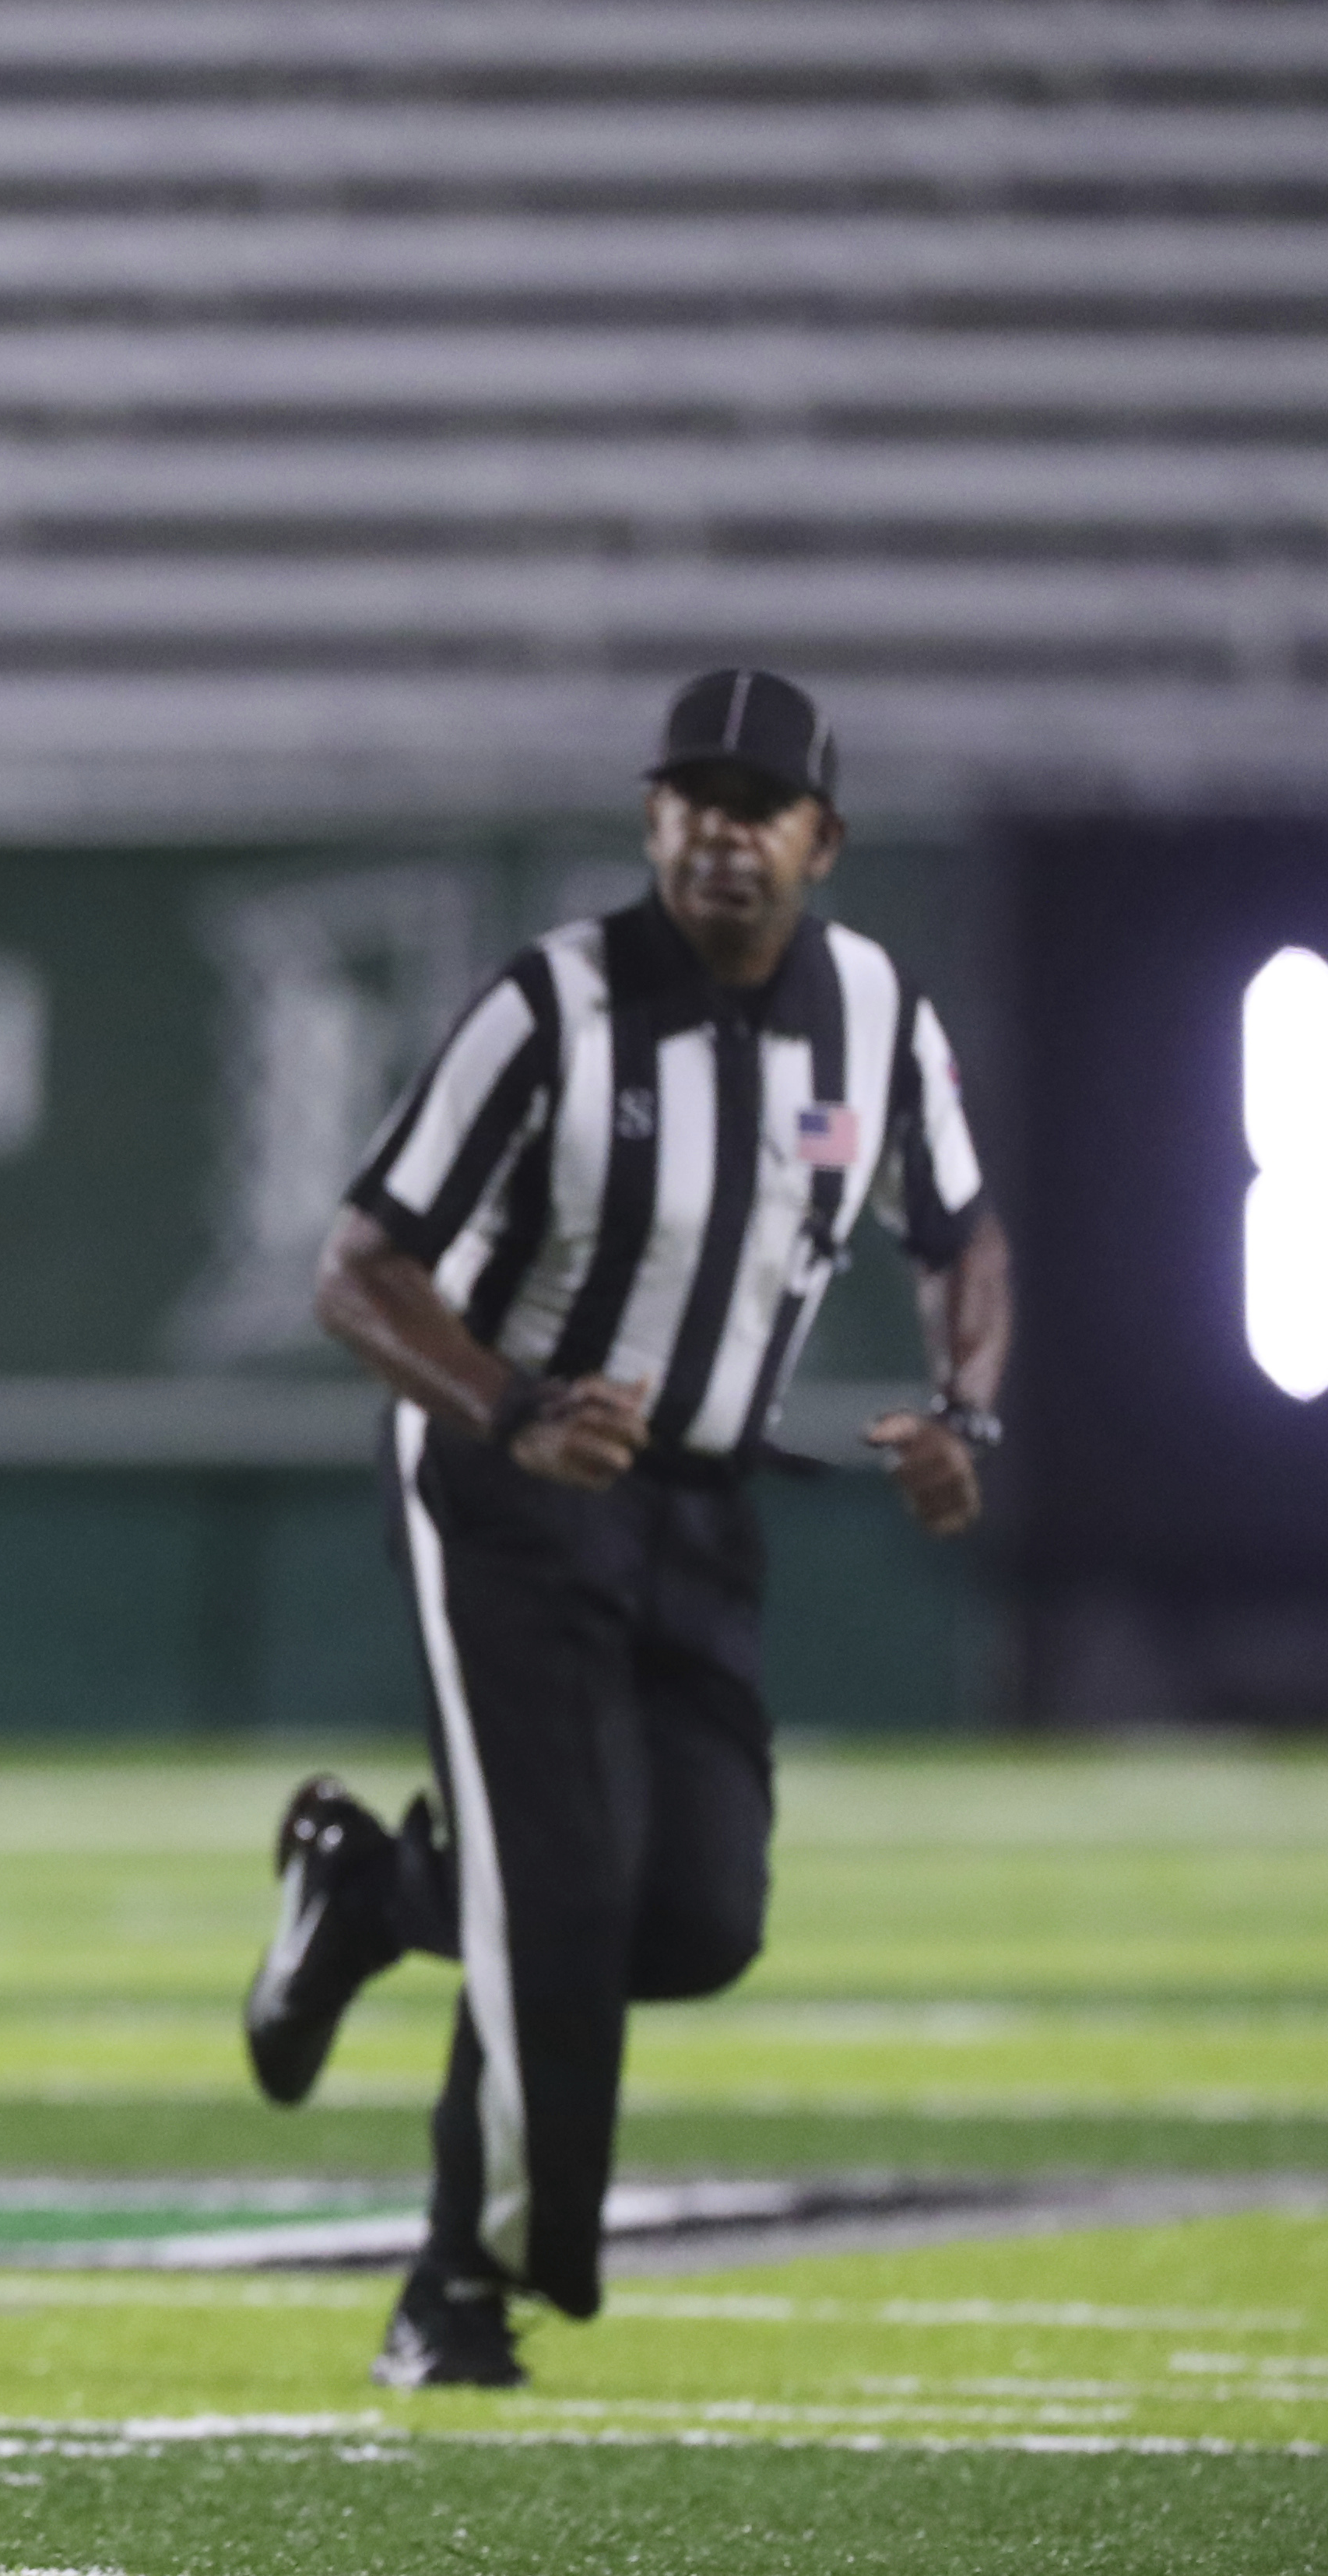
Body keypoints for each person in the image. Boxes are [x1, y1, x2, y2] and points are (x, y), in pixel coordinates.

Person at [244, 668, 1013, 2388]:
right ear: (653, 816)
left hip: (702, 1505)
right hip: (505, 1489)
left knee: (698, 1918)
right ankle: (463, 2288)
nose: (720, 834)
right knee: (564, 1896)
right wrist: (511, 1405)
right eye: (692, 798)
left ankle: (372, 1891)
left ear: (825, 839)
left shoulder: (876, 1010)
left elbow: (960, 1230)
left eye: (760, 806)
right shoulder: (554, 1007)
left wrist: (966, 1410)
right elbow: (357, 1269)